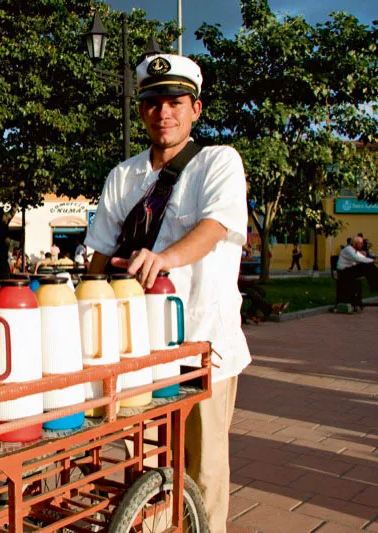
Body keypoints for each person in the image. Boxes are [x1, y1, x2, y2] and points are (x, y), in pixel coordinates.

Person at [85, 50, 249, 531]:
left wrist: (164, 258)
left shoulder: (218, 162)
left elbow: (216, 225)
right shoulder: (124, 175)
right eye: (154, 103)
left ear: (195, 108)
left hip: (204, 343)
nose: (165, 112)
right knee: (148, 464)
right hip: (141, 351)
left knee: (204, 466)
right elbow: (98, 252)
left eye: (176, 101)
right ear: (142, 111)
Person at [337, 236, 378, 304]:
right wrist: (373, 261)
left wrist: (373, 260)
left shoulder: (354, 250)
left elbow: (362, 258)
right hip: (344, 272)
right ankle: (375, 286)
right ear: (355, 243)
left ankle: (375, 285)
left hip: (349, 270)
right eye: (360, 243)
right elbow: (359, 259)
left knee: (369, 265)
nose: (362, 245)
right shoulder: (348, 249)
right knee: (367, 264)